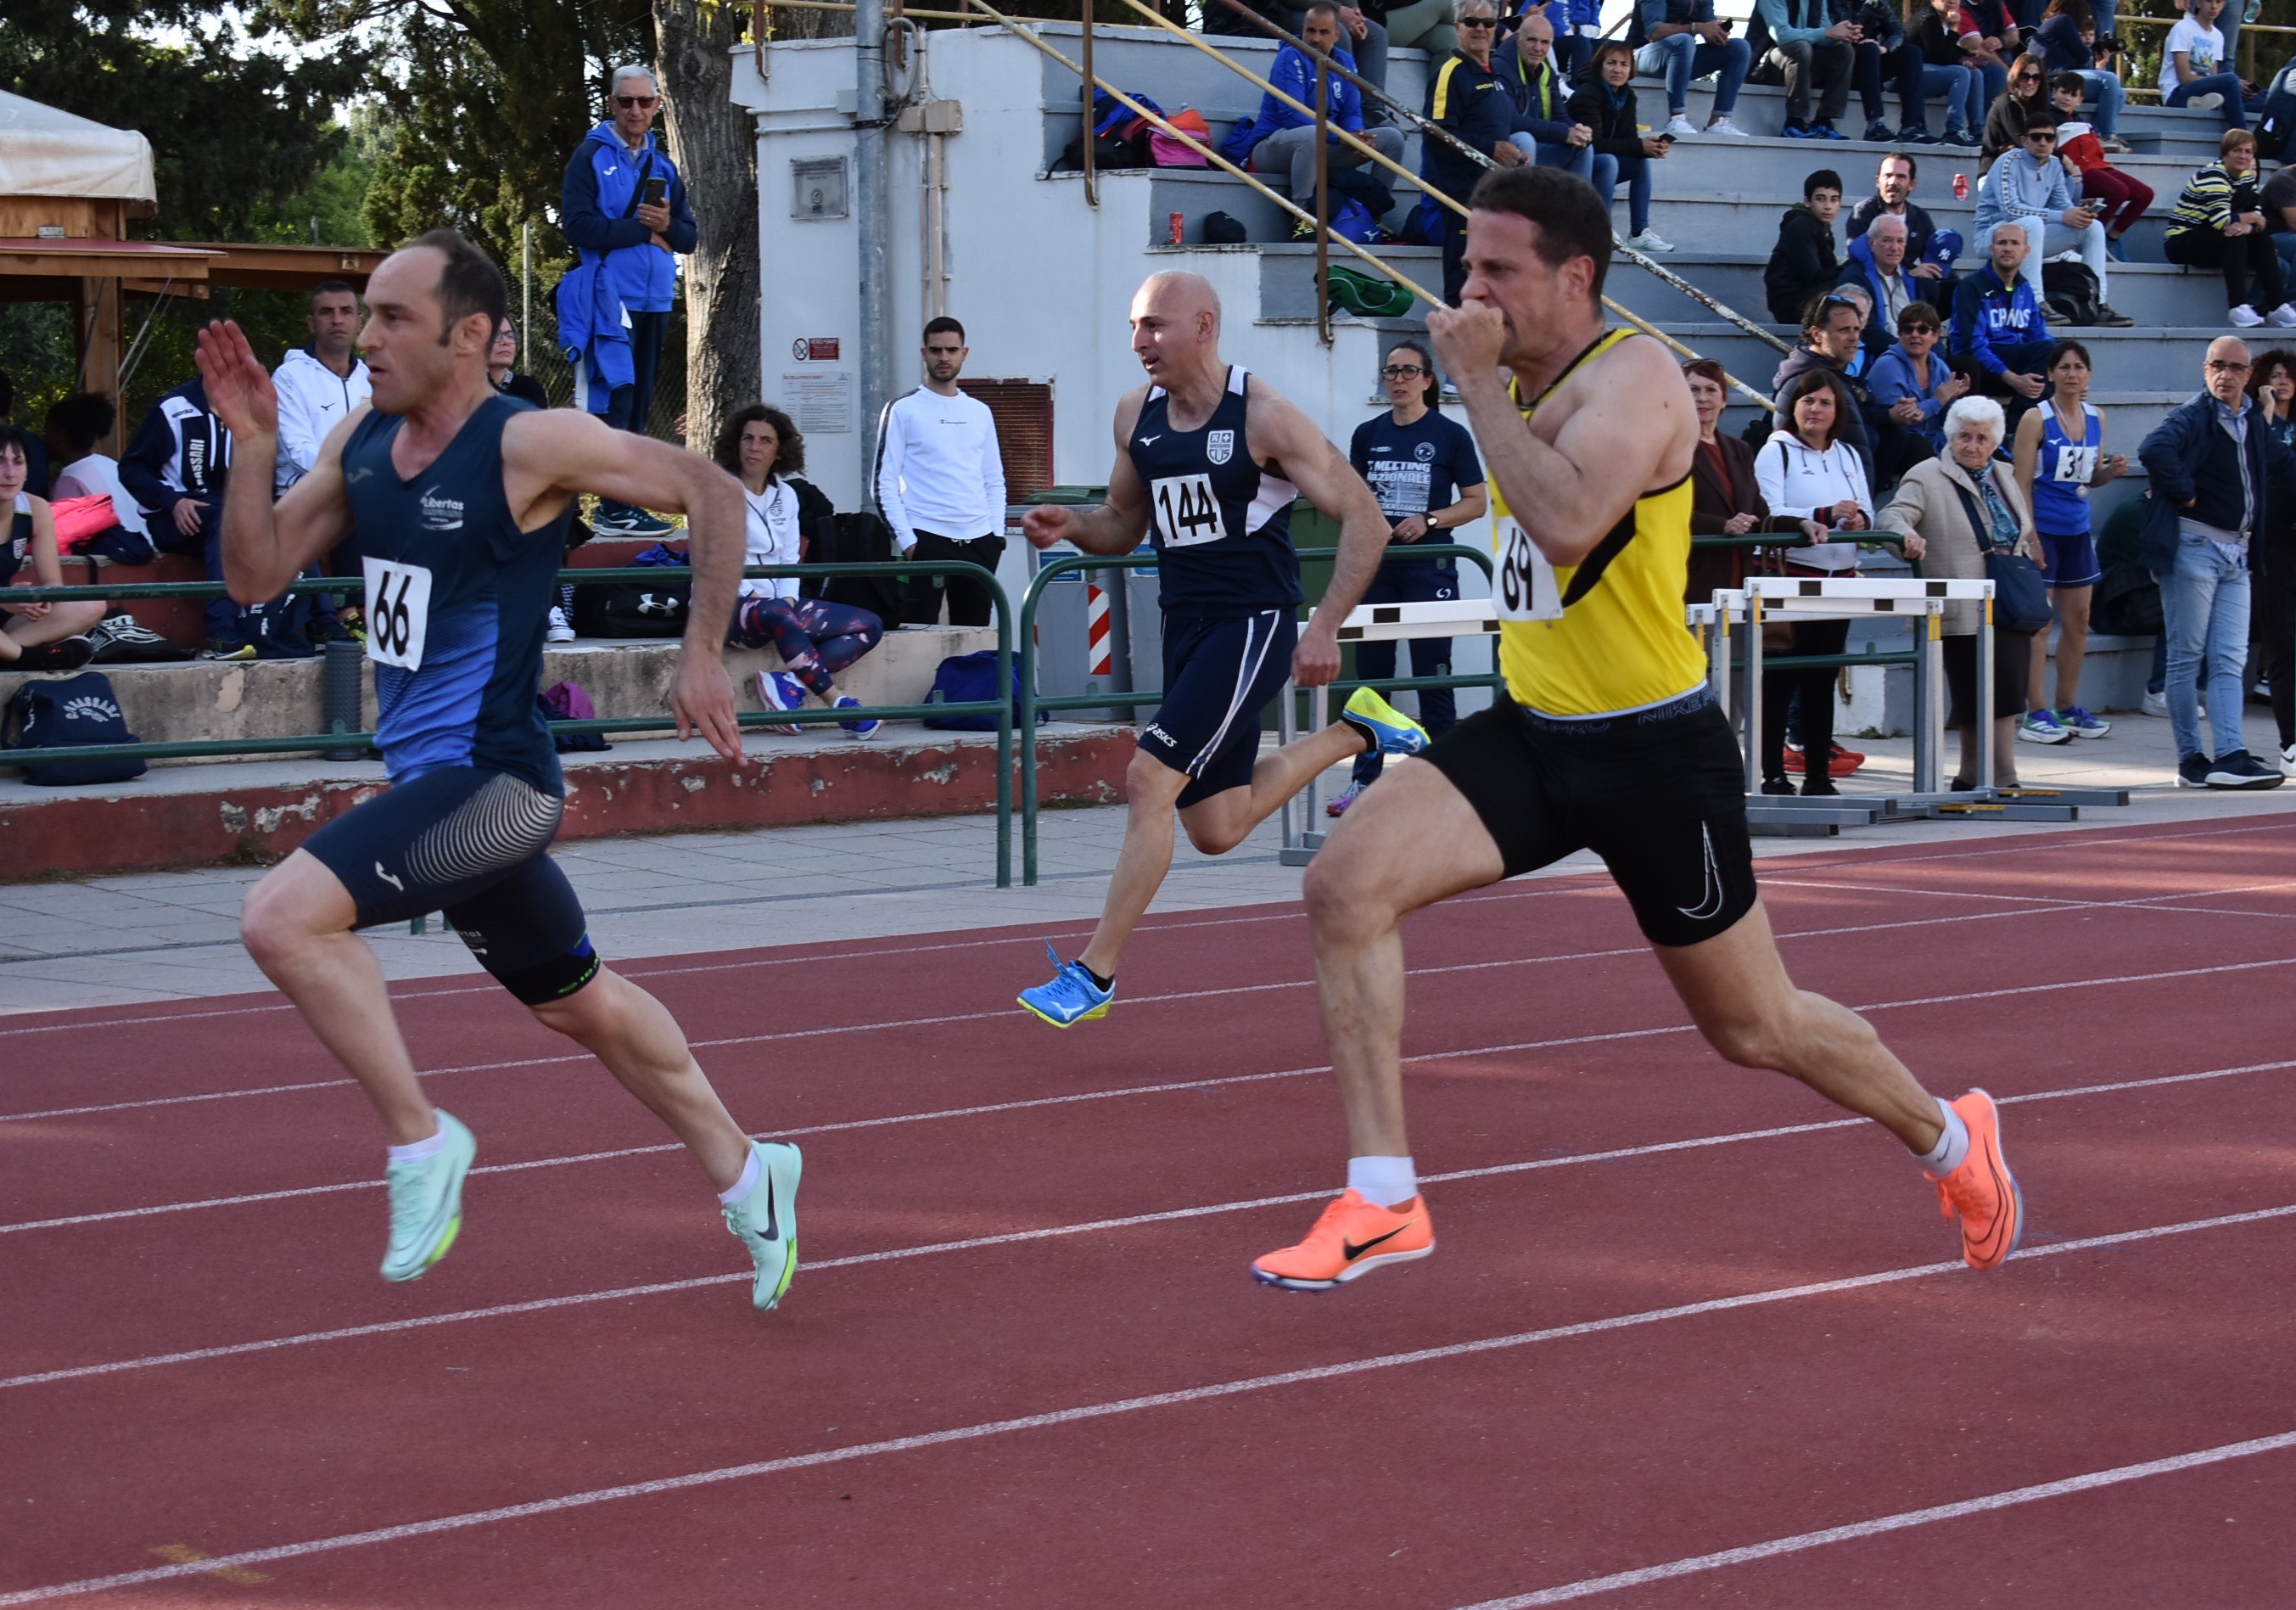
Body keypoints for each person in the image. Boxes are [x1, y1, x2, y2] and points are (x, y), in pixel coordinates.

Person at [1247, 164, 2020, 1293]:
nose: (1470, 292)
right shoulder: (1515, 381)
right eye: (1466, 267)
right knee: (1342, 885)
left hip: (1654, 752)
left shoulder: (1638, 378)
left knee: (1754, 1027)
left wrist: (1475, 388)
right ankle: (1382, 1196)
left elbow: (1565, 522)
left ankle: (1952, 1138)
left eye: (1497, 270)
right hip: (1534, 731)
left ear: (1576, 278)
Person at [193, 229, 804, 1310]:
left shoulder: (528, 441)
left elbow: (711, 490)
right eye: (366, 315)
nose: (368, 338)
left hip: (498, 783)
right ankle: (752, 1169)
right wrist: (251, 445)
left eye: (395, 318)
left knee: (281, 919)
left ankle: (422, 1142)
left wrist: (701, 654)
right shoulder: (360, 440)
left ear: (469, 334)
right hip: (432, 787)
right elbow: (254, 575)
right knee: (579, 1003)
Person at [1014, 272, 1426, 1028]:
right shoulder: (1136, 414)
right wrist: (1073, 526)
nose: (1139, 342)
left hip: (1252, 622)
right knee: (1216, 826)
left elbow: (1364, 517)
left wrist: (1325, 625)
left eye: (1154, 326)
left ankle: (1094, 973)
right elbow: (1122, 524)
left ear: (1204, 326)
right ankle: (1358, 730)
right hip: (1185, 625)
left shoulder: (1264, 416)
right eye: (1133, 326)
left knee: (1149, 779)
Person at [1328, 338, 1488, 817]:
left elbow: (1476, 502)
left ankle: (1446, 784)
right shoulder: (1367, 433)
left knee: (1432, 674)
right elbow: (1354, 499)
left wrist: (1431, 520)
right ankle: (1363, 780)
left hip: (1429, 567)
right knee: (1371, 680)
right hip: (1377, 567)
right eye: (1391, 371)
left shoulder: (1450, 434)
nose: (1398, 379)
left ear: (1428, 380)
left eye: (1408, 371)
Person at [2136, 335, 2295, 788]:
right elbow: (2153, 449)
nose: (2225, 374)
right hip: (2194, 547)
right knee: (2186, 658)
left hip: (2236, 553)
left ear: (2249, 375)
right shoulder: (2192, 415)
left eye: (2235, 367)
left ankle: (2230, 755)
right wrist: (2183, 491)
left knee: (2228, 658)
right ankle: (2191, 760)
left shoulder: (2253, 419)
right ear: (2205, 370)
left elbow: (2284, 463)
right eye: (2217, 366)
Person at [1879, 396, 2044, 788]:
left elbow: (2017, 530)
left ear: (1995, 442)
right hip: (1961, 605)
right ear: (1950, 437)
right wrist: (1906, 536)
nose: (1972, 446)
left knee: (2007, 690)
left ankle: (1984, 776)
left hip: (2009, 599)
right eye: (1964, 436)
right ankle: (1992, 776)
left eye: (1982, 438)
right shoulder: (1927, 475)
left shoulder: (2004, 473)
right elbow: (1891, 516)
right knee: (1975, 694)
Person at [561, 64, 697, 537]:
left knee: (638, 405)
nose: (635, 110)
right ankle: (608, 505)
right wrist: (642, 232)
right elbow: (577, 226)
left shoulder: (664, 166)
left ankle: (623, 502)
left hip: (656, 299)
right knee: (611, 399)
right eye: (626, 101)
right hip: (609, 298)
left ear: (657, 106)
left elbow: (689, 238)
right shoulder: (589, 156)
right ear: (611, 104)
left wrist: (665, 228)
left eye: (644, 101)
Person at [718, 403, 882, 740]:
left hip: (777, 608)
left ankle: (788, 683)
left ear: (780, 451)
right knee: (776, 612)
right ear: (736, 443)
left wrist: (790, 599)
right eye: (748, 438)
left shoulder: (787, 495)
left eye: (765, 441)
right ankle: (839, 704)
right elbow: (713, 561)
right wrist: (761, 599)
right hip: (726, 608)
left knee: (869, 625)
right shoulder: (716, 490)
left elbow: (790, 558)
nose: (754, 447)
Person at [1753, 368, 1874, 795]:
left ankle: (1818, 776)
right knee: (1780, 681)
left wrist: (1859, 520)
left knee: (1822, 682)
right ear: (1794, 407)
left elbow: (1868, 510)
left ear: (1837, 410)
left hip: (1839, 583)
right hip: (1789, 582)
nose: (1815, 409)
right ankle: (1772, 775)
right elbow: (1771, 511)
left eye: (1825, 402)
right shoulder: (1775, 452)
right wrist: (1824, 514)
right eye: (1807, 401)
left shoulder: (1848, 454)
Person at [2010, 339, 2123, 742]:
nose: (2072, 374)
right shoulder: (2036, 418)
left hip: (2077, 530)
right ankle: (2035, 711)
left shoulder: (2097, 418)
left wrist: (2110, 473)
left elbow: (2089, 478)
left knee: (2079, 621)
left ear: (2089, 374)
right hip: (2044, 530)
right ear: (2051, 373)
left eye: (2079, 367)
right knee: (2040, 624)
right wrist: (2031, 536)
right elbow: (2021, 483)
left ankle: (2068, 706)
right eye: (2064, 367)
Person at [119, 373, 265, 659]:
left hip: (230, 515)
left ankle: (322, 624)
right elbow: (131, 469)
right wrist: (171, 501)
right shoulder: (174, 408)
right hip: (175, 517)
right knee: (227, 519)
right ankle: (222, 631)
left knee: (285, 517)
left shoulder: (252, 412)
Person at [875, 317, 1008, 628]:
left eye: (951, 350)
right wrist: (908, 542)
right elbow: (883, 482)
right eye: (936, 350)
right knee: (918, 633)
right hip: (926, 536)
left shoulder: (980, 412)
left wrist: (996, 536)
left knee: (975, 634)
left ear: (964, 353)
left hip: (980, 541)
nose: (944, 357)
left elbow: (994, 479)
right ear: (924, 353)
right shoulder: (903, 409)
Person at [1233, 3, 1406, 233]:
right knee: (1311, 134)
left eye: (1324, 32)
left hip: (1323, 144)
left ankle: (1370, 217)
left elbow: (1351, 112)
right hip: (1273, 148)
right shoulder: (1290, 56)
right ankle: (1302, 217)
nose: (1315, 38)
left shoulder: (1345, 61)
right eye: (1310, 31)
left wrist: (1355, 135)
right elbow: (1291, 115)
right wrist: (1340, 137)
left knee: (1392, 139)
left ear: (1337, 35)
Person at [1684, 356, 1826, 608]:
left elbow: (1759, 516)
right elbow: (1663, 513)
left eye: (1711, 390)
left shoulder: (1739, 450)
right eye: (1693, 390)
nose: (1702, 398)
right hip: (1693, 581)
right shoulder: (1672, 449)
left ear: (1724, 399)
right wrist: (1722, 525)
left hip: (1740, 583)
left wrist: (1801, 524)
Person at [1425, 0, 1539, 306]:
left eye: (1488, 23)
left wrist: (1514, 155)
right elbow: (1436, 134)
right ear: (1457, 27)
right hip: (1461, 197)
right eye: (1471, 22)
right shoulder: (1450, 72)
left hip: (1492, 195)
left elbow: (1499, 127)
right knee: (1462, 282)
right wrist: (1492, 149)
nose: (1480, 29)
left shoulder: (1495, 73)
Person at [1973, 121, 2126, 326]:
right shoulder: (2007, 161)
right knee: (2033, 223)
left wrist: (2079, 213)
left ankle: (2097, 304)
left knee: (2092, 227)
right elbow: (2010, 210)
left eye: (2049, 137)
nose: (2043, 142)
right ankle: (2035, 303)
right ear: (2024, 141)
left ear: (2055, 141)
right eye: (2036, 137)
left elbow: (2063, 207)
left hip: (2029, 237)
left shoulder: (2054, 165)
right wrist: (2062, 216)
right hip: (1992, 237)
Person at [2164, 130, 2296, 331]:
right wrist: (2251, 220)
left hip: (2216, 237)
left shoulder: (2246, 177)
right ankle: (2237, 307)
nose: (2243, 156)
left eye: (2248, 152)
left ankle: (2277, 306)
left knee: (2260, 238)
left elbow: (2260, 218)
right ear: (2225, 152)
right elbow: (2221, 220)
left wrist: (2249, 225)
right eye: (2237, 150)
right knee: (2234, 237)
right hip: (2183, 240)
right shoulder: (2213, 175)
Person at [0, 426, 108, 670]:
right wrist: (3, 598)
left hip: (7, 618)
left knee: (90, 604)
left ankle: (9, 653)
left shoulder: (36, 509)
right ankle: (28, 657)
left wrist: (40, 600)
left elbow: (53, 583)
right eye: (0, 462)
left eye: (18, 462)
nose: (10, 473)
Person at [1568, 40, 1676, 255]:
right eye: (1611, 63)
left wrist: (1651, 147)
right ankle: (1602, 231)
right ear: (1600, 66)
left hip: (1602, 161)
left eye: (1624, 64)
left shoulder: (1627, 96)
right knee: (1609, 161)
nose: (1618, 70)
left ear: (1631, 70)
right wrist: (1638, 146)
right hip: (1575, 163)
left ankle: (1639, 233)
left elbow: (1629, 141)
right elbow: (1594, 143)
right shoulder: (1587, 93)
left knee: (1640, 163)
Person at [272, 281, 371, 495]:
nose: (337, 320)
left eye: (346, 311)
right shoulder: (289, 377)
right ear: (311, 323)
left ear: (359, 322)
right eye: (326, 312)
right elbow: (298, 450)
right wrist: (355, 475)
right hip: (302, 498)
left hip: (362, 496)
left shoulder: (371, 378)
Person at [2249, 349, 2296, 777]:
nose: (2281, 382)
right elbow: (2258, 457)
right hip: (2271, 547)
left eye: (2288, 375)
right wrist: (2265, 409)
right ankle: (2291, 743)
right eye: (2274, 375)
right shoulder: (2254, 419)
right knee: (2284, 647)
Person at [1492, 12, 1604, 186]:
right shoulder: (1500, 67)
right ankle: (1525, 203)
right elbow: (1511, 121)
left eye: (1545, 42)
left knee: (1582, 147)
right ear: (1518, 39)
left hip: (1538, 147)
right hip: (1506, 149)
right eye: (1532, 40)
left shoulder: (1546, 71)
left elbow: (1560, 116)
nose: (1538, 48)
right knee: (1525, 139)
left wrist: (1577, 130)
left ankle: (1578, 204)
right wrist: (1564, 132)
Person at [1774, 290, 1879, 473]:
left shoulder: (1835, 378)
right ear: (1817, 334)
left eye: (1856, 329)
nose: (1854, 338)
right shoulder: (1803, 383)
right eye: (1844, 330)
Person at [1950, 222, 2053, 405]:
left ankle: (2027, 418)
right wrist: (2013, 379)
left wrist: (2068, 364)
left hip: (2013, 363)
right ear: (1992, 249)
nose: (2007, 248)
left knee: (2059, 353)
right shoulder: (1971, 287)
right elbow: (1973, 346)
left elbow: (2038, 335)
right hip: (1978, 367)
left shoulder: (2024, 288)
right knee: (2046, 353)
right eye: (2002, 243)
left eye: (2015, 243)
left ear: (2026, 251)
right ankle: (2020, 419)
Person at [1868, 300, 1970, 484]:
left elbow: (1946, 419)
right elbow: (1902, 420)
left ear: (1936, 336)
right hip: (1900, 448)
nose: (1914, 335)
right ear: (1899, 334)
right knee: (1920, 447)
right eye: (1908, 329)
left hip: (1935, 444)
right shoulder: (1887, 366)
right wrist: (1939, 400)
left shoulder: (1939, 366)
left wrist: (1952, 399)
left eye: (1923, 330)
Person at [2051, 79, 2149, 265]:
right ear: (2054, 92)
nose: (2067, 98)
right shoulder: (2048, 117)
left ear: (2080, 100)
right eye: (2064, 92)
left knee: (2145, 194)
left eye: (2073, 95)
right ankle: (2092, 237)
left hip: (2098, 166)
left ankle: (2112, 238)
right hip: (2077, 172)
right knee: (2119, 191)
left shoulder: (2081, 120)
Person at [1631, 0, 1754, 139]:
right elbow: (1654, 32)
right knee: (1684, 40)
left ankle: (1718, 121)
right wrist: (1697, 28)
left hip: (1681, 57)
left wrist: (1716, 33)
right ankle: (1676, 118)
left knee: (1740, 47)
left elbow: (1708, 23)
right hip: (1640, 56)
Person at [1849, 151, 1961, 304]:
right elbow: (1862, 259)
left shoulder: (1920, 217)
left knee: (1955, 289)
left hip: (1908, 286)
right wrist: (1908, 273)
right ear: (1878, 181)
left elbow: (1934, 258)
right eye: (1888, 176)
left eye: (1901, 177)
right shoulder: (1863, 213)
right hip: (1871, 284)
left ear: (1912, 184)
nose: (1893, 182)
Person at [1747, 0, 1856, 141]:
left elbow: (1824, 36)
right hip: (1768, 66)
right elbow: (1782, 35)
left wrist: (1843, 35)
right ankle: (1794, 123)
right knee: (1800, 47)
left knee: (1844, 51)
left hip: (1802, 62)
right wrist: (1827, 32)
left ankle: (1823, 122)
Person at [2031, 0, 2124, 148]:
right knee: (2111, 79)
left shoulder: (2056, 24)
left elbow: (2079, 61)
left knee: (2119, 94)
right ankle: (2106, 135)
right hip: (2053, 79)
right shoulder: (2062, 20)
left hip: (2065, 77)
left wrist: (2098, 66)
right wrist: (2090, 51)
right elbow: (2082, 56)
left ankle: (2096, 135)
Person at [1765, 168, 1845, 325]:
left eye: (1833, 200)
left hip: (1807, 295)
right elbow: (1812, 276)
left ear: (1840, 204)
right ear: (1808, 201)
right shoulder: (1801, 226)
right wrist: (1847, 268)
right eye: (1821, 199)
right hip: (1790, 304)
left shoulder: (1821, 227)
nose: (1827, 206)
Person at [1838, 212, 1922, 360]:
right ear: (1871, 243)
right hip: (1878, 359)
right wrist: (1907, 353)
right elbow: (1866, 330)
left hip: (1914, 353)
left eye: (1900, 241)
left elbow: (1928, 322)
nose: (1895, 248)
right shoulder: (1854, 277)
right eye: (1887, 241)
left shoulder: (1913, 276)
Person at [2159, 0, 2251, 132]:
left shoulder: (2218, 36)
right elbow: (2184, 78)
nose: (2213, 6)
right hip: (2177, 95)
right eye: (2209, 1)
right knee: (2231, 79)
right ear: (2198, 3)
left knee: (2262, 98)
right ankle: (2242, 136)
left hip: (2205, 94)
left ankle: (2204, 103)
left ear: (2223, 5)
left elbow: (2213, 76)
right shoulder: (2182, 28)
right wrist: (2228, 83)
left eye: (2218, 2)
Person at [1904, 0, 1985, 145]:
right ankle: (1954, 130)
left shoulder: (1944, 20)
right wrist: (1954, 28)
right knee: (1961, 73)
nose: (1952, 1)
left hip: (1931, 69)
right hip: (1909, 76)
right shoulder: (1928, 17)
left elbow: (1947, 52)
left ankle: (1978, 131)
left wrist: (1966, 58)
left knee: (1975, 74)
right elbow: (1939, 56)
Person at [1980, 51, 2050, 165]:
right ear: (2016, 77)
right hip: (1997, 167)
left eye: (2036, 78)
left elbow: (2050, 139)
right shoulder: (2007, 103)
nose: (2030, 82)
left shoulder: (2038, 105)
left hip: (2027, 165)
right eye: (2025, 77)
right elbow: (2023, 142)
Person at [1956, 0, 2022, 106]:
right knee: (1998, 73)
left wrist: (2001, 41)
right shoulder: (1960, 7)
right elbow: (1977, 47)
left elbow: (2014, 36)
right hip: (1972, 60)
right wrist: (2009, 75)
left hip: (2001, 55)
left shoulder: (1997, 3)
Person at [490, 317, 549, 409]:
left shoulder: (528, 388)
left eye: (510, 335)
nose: (506, 342)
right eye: (496, 335)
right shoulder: (466, 389)